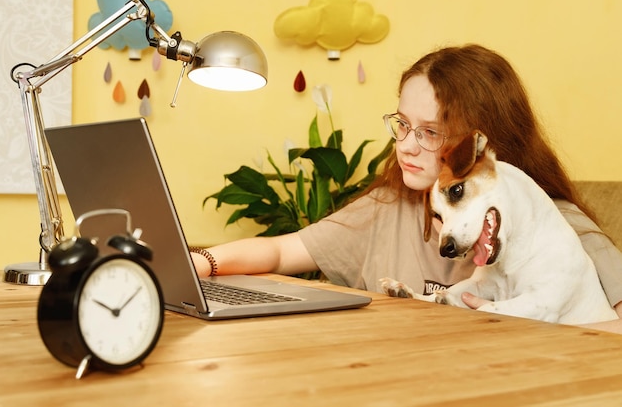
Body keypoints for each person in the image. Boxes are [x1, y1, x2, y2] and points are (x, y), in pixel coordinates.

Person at [191, 44, 622, 333]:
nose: (405, 146)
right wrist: (202, 262)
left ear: (481, 144)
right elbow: (284, 252)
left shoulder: (561, 228)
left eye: (431, 132)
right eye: (403, 125)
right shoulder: (388, 207)